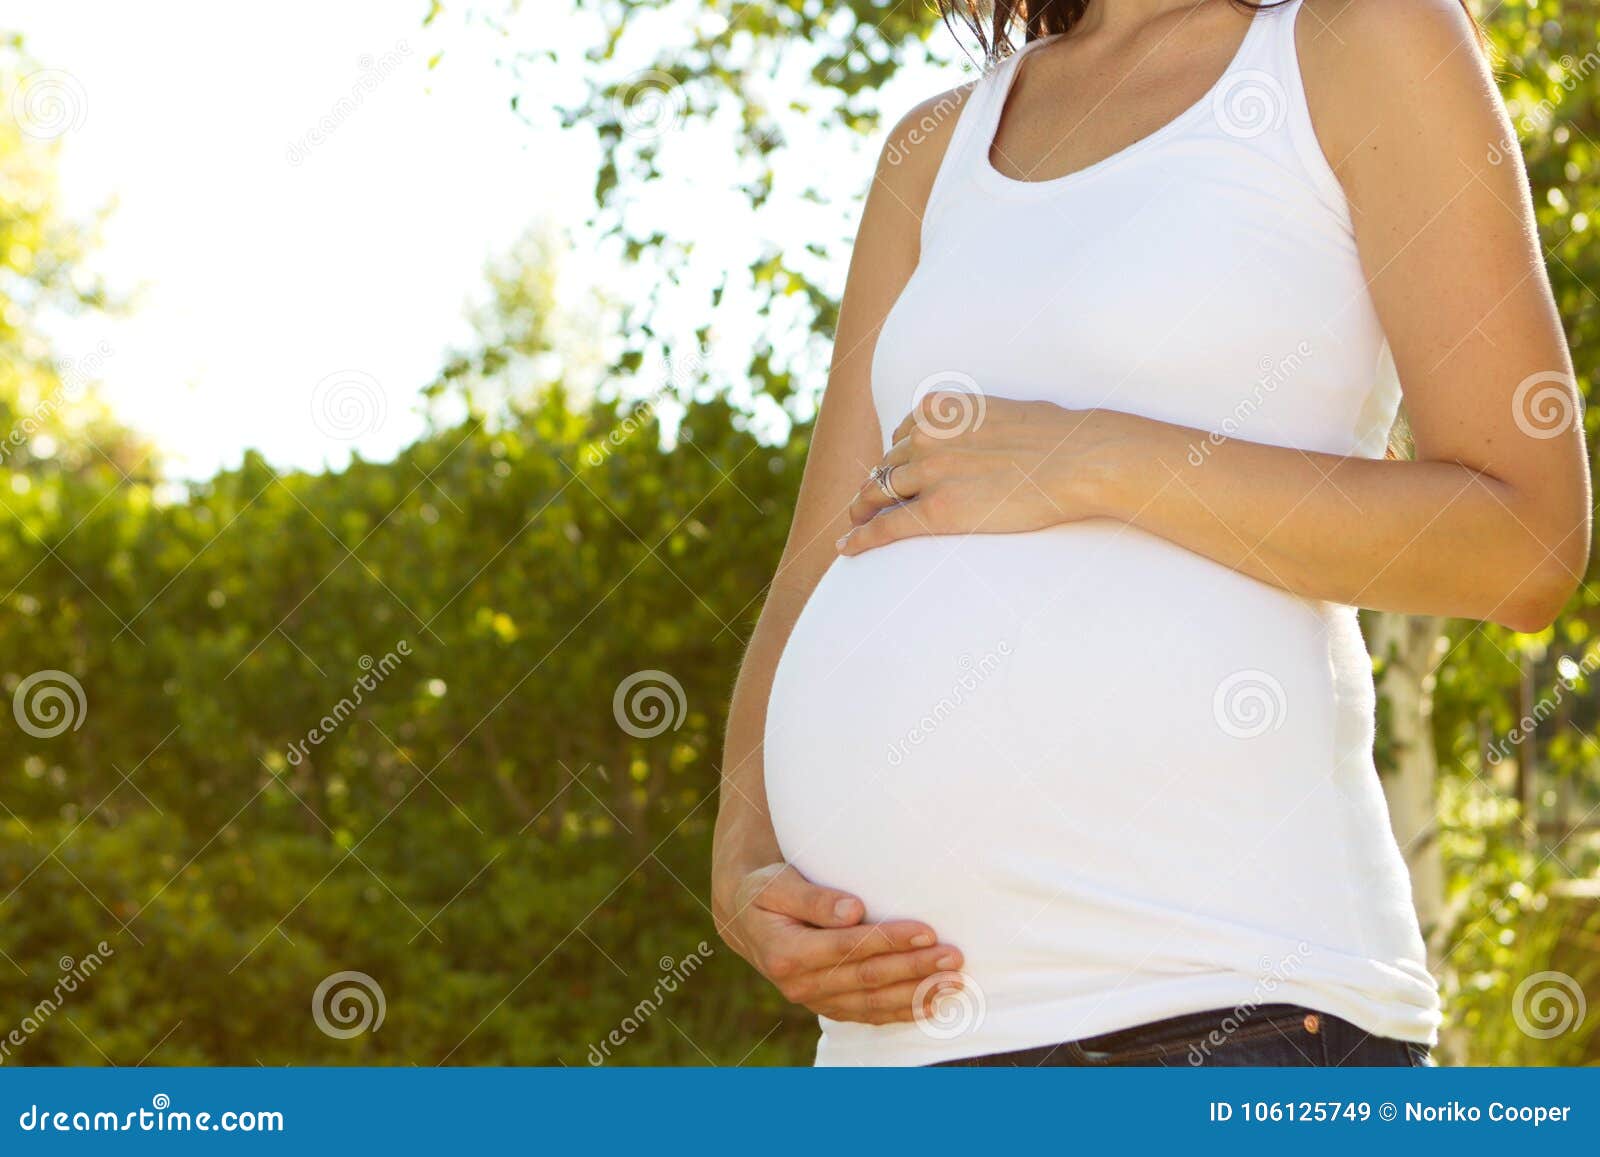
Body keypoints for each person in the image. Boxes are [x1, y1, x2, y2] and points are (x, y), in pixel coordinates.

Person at [712, 0, 1592, 1066]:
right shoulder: (929, 148)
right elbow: (817, 558)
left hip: (1219, 1008)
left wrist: (1095, 460)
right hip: (885, 1048)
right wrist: (743, 861)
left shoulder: (1363, 38)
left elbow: (1524, 540)